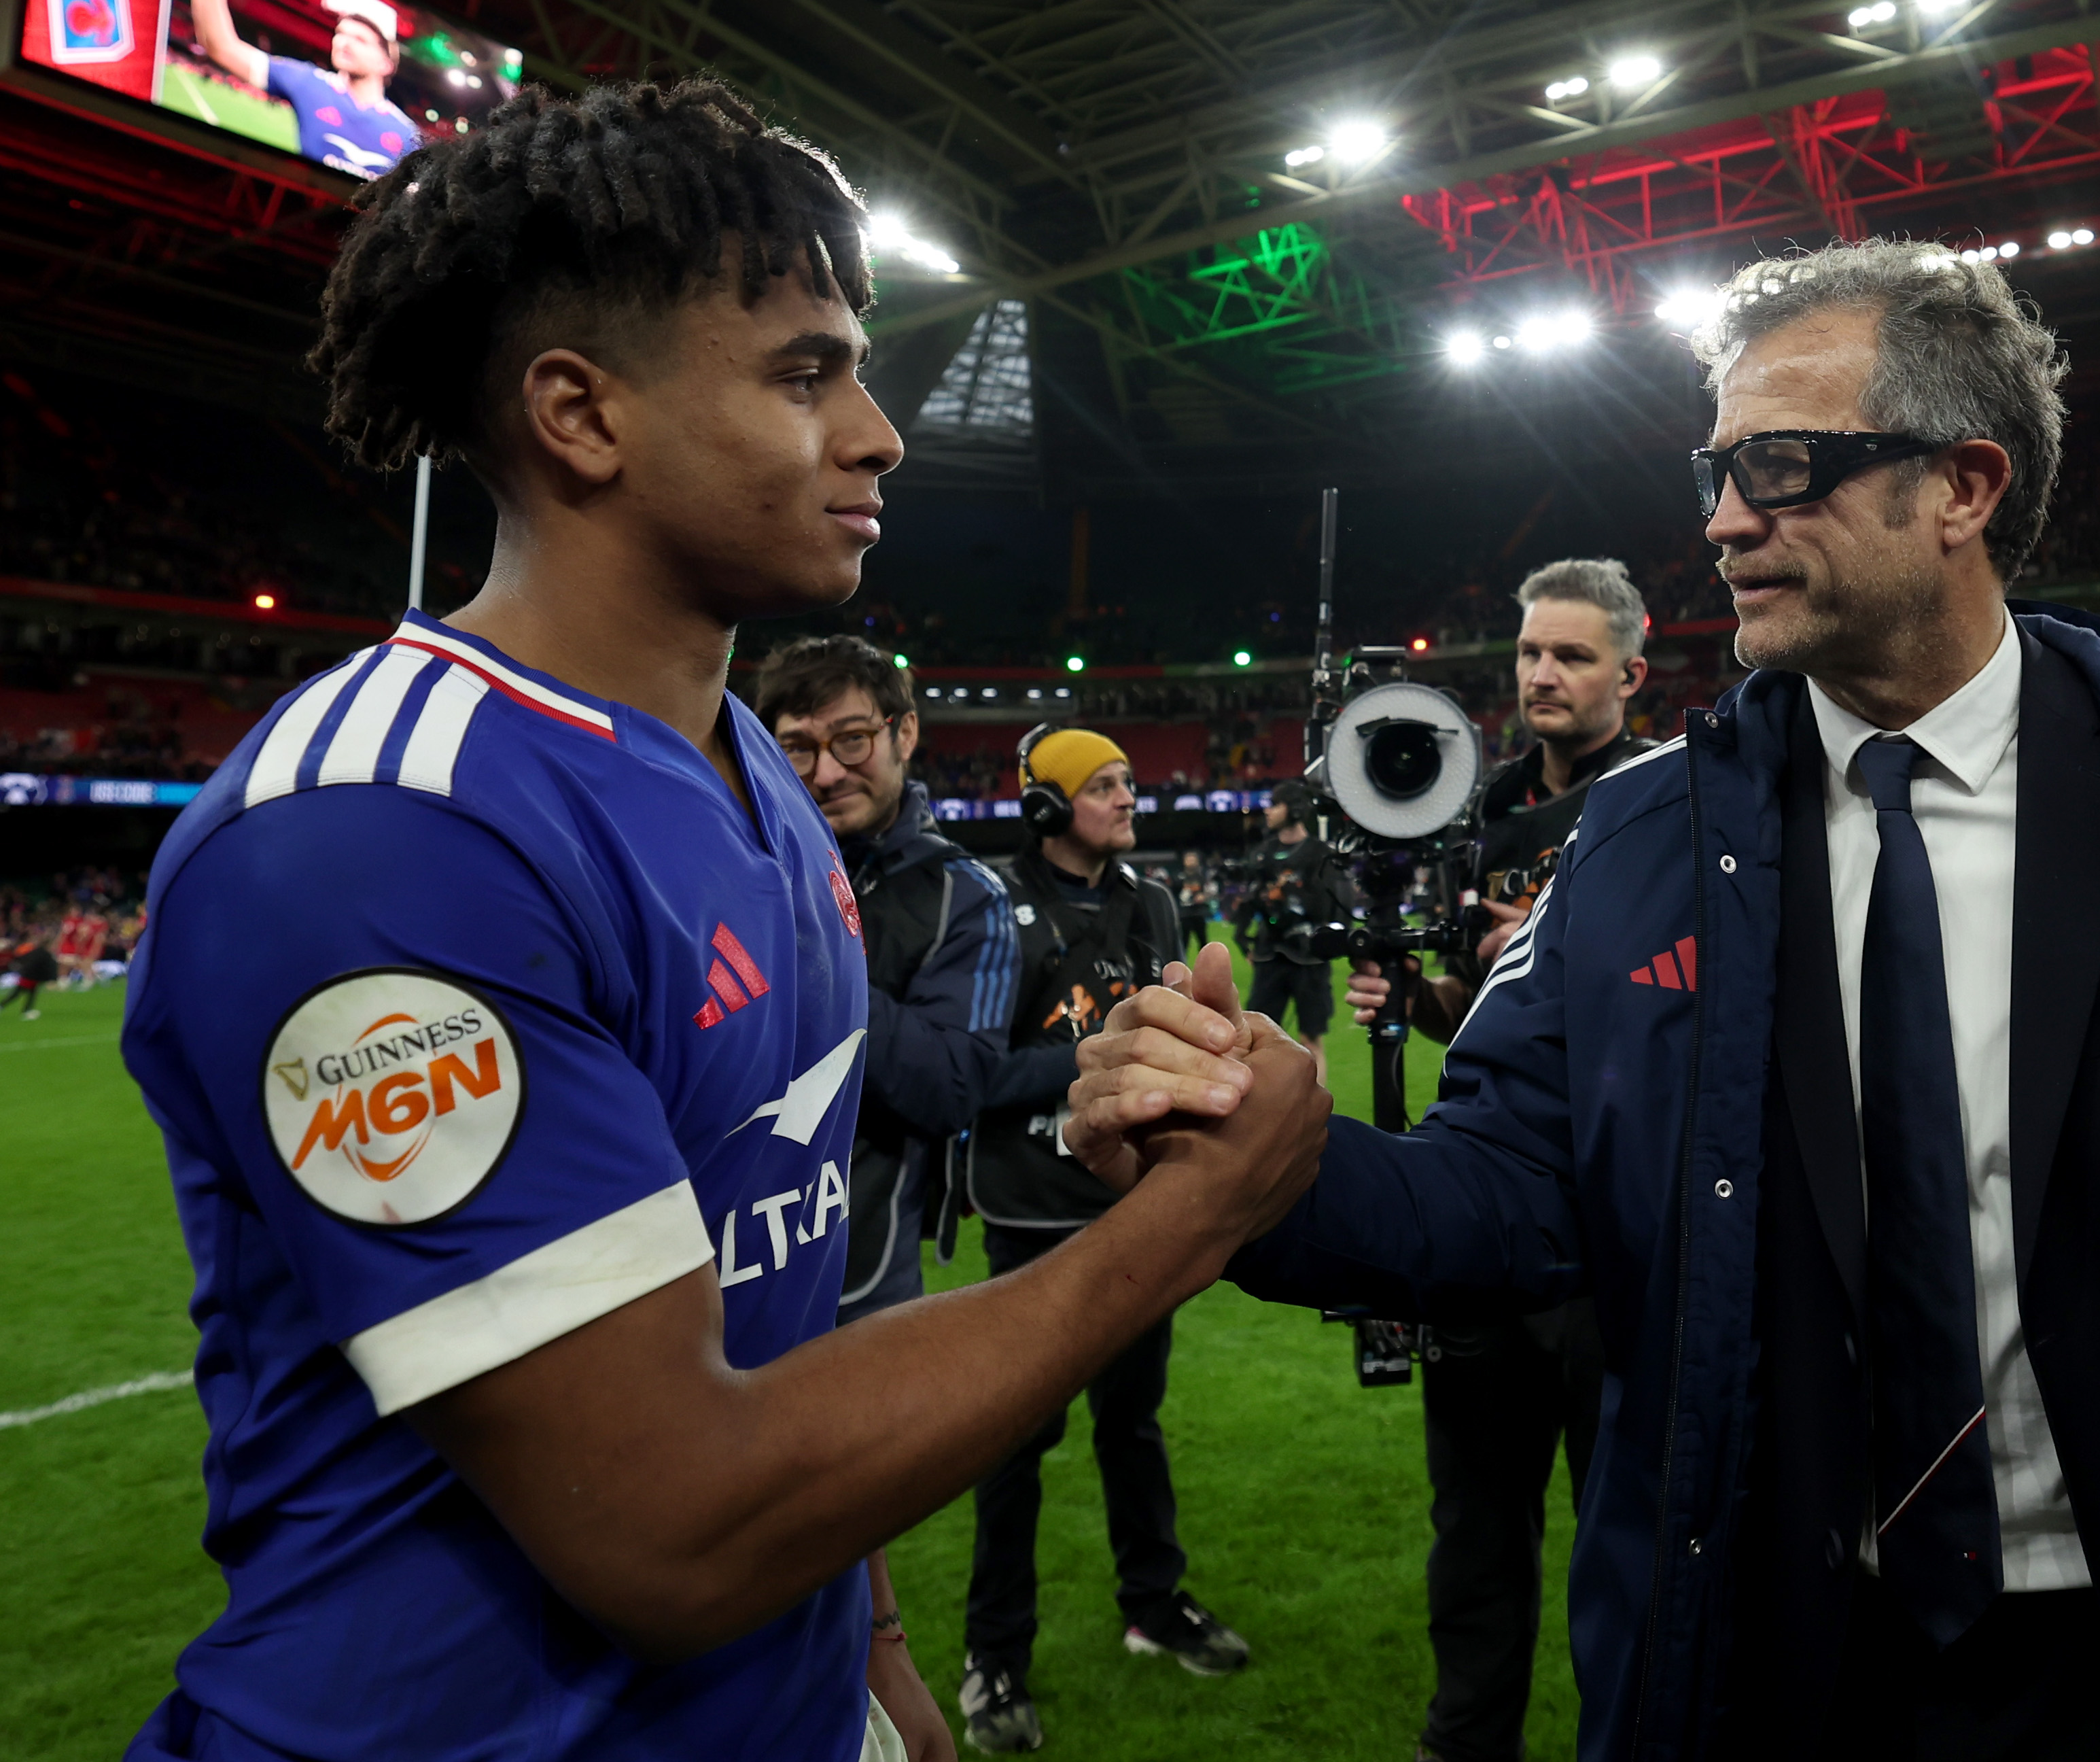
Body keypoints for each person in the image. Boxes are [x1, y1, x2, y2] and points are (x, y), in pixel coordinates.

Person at [1066, 238, 2100, 1759]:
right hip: (1797, 1662)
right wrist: (1272, 1162)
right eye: (1714, 475)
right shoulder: (1642, 835)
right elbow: (1506, 1188)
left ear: (1961, 486)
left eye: (1781, 466)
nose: (1726, 525)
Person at [118, 79, 1325, 1762]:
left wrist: (866, 1639)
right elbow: (668, 1523)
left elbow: (782, 1277)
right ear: (580, 414)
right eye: (804, 371)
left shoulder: (750, 763)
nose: (879, 431)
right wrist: (1188, 1221)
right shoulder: (376, 832)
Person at [1342, 557, 1653, 1762]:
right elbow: (1477, 1014)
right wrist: (1414, 988)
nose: (1541, 674)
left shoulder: (1677, 800)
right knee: (1474, 1526)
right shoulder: (1479, 809)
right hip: (1483, 1211)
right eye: (1529, 653)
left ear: (1629, 672)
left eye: (1571, 656)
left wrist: (1580, 943)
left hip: (1610, 1224)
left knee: (1625, 1522)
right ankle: (1463, 1743)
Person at [951, 726, 1252, 1752]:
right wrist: (1100, 1061)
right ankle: (994, 1656)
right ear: (1050, 804)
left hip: (1131, 1206)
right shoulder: (988, 902)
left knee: (1133, 1422)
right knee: (1013, 1443)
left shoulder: (1152, 899)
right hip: (1028, 1208)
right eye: (1107, 784)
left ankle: (1152, 1605)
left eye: (1130, 778)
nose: (1130, 796)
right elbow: (972, 1070)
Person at [753, 634, 1016, 1323]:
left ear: (904, 734)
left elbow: (952, 1088)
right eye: (796, 747)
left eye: (851, 740)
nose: (826, 773)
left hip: (859, 1271)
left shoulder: (967, 897)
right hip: (699, 1255)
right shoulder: (730, 863)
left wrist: (811, 957)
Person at [188, 0, 421, 177]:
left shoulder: (408, 135)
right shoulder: (307, 81)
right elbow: (220, 45)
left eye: (360, 39)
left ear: (386, 64)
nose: (344, 42)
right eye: (340, 33)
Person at [1240, 779, 1340, 1082]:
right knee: (1255, 1040)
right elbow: (1249, 902)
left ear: (1294, 809)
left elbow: (1326, 907)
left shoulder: (1320, 853)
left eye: (1275, 804)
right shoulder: (1262, 853)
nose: (1267, 811)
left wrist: (1290, 900)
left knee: (1311, 1041)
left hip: (1308, 958)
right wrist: (1245, 938)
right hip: (1270, 956)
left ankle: (1318, 1114)